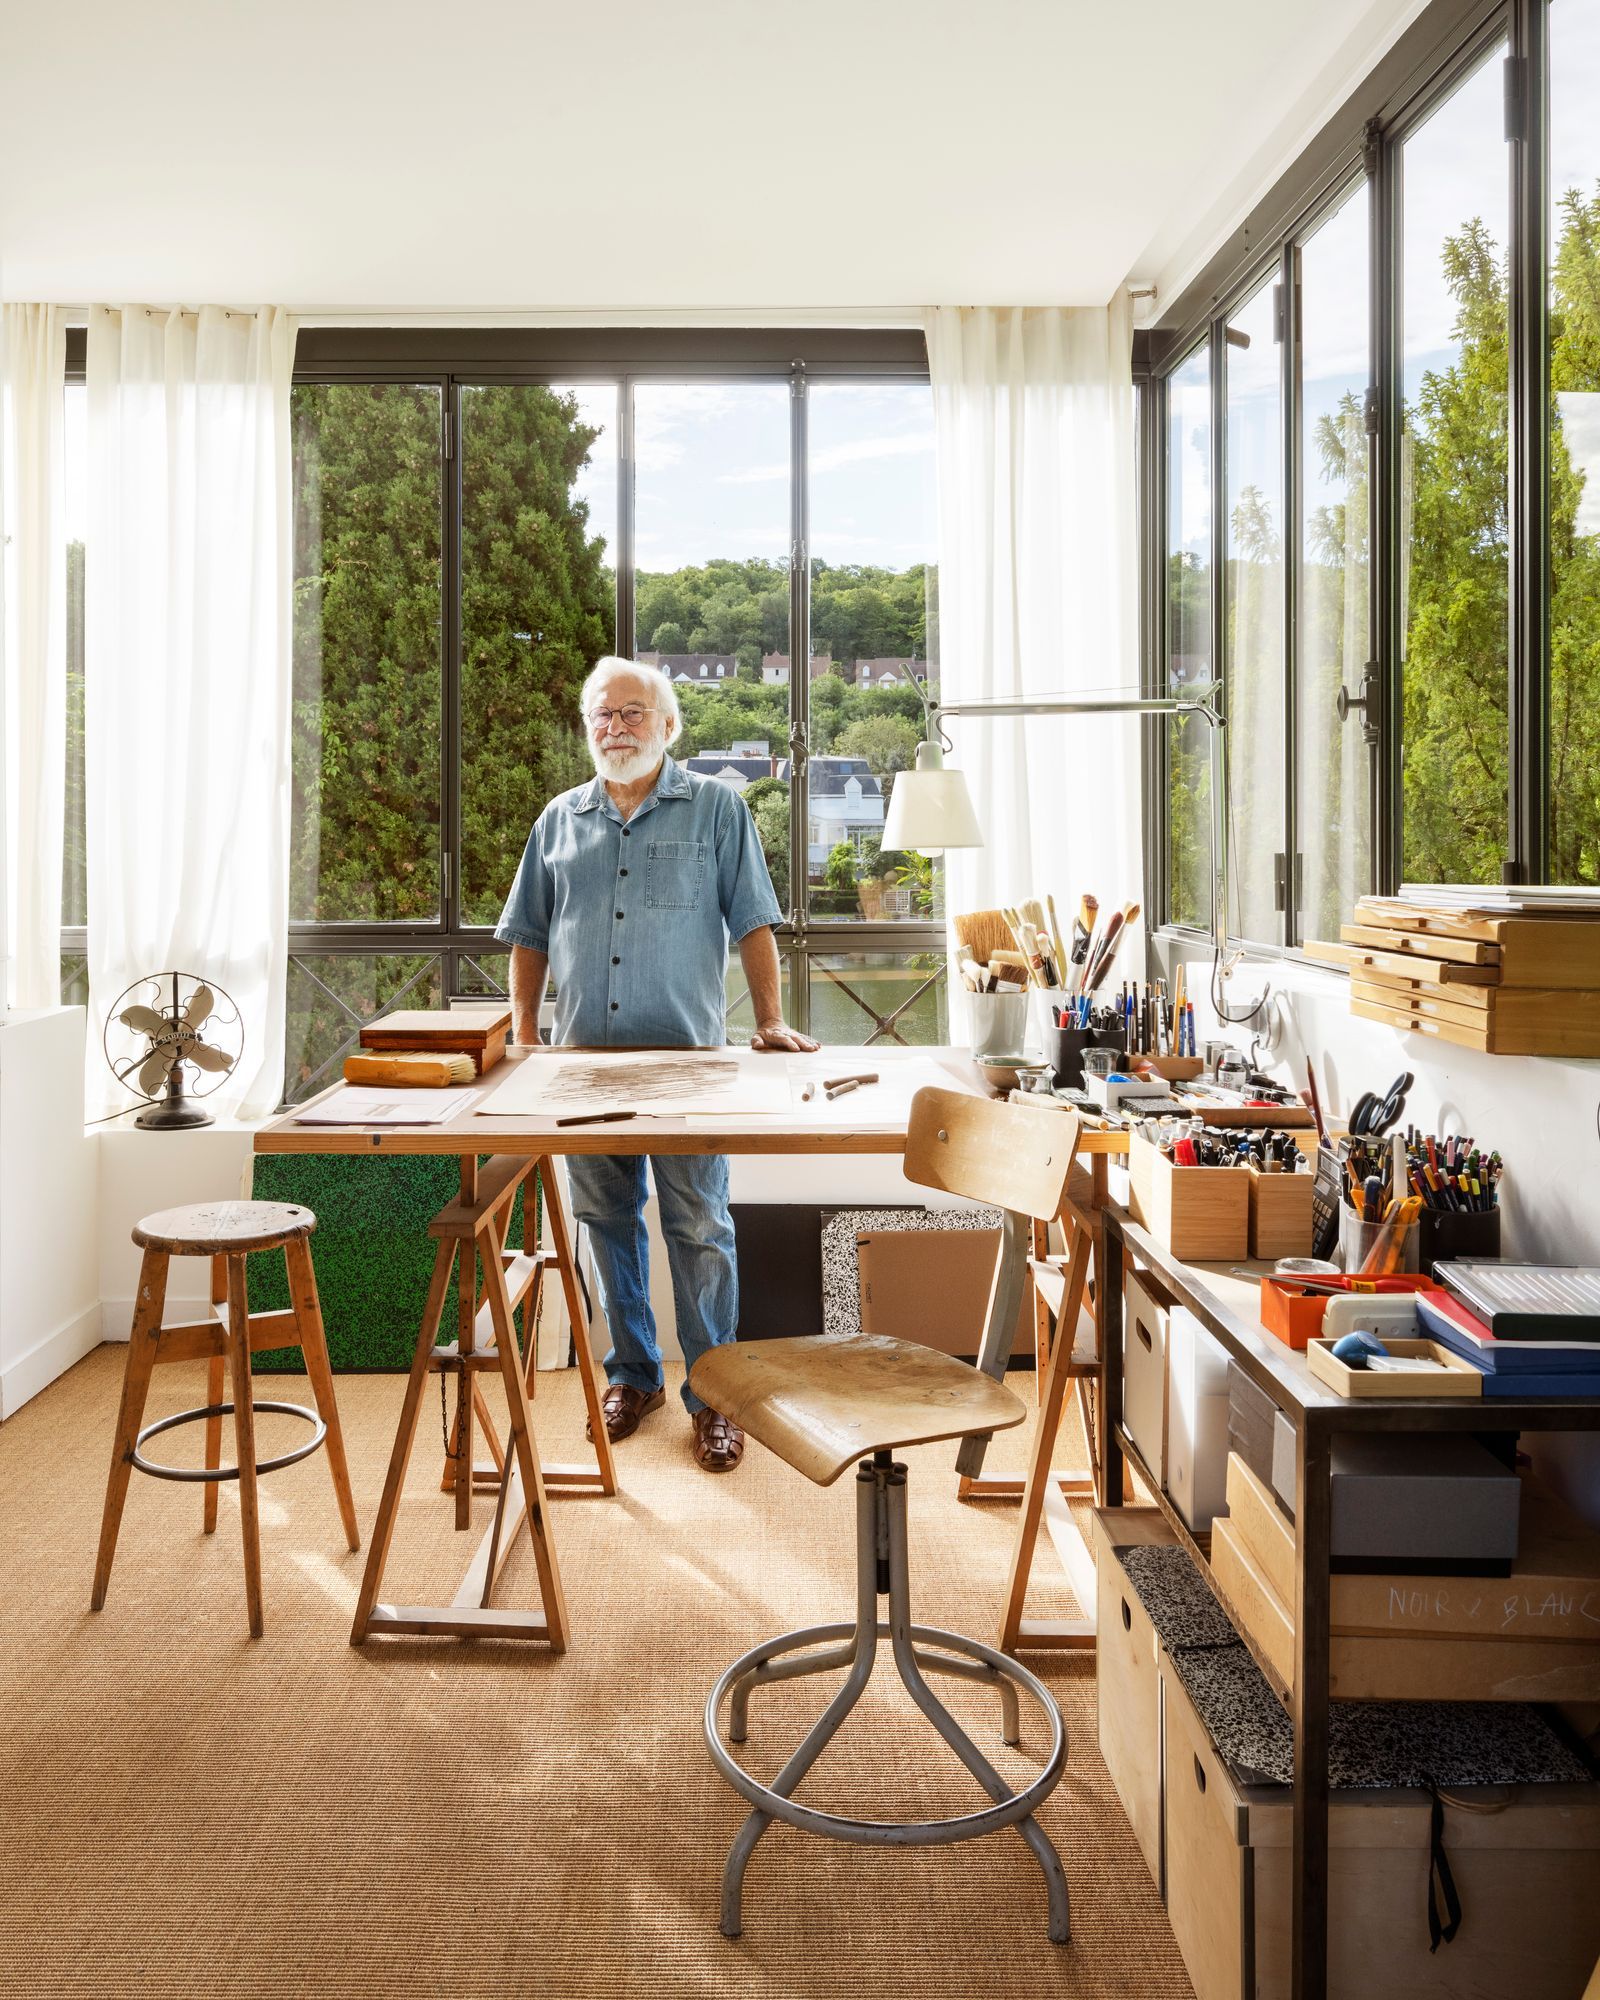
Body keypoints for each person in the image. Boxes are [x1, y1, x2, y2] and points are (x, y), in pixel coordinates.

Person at [494, 657, 818, 1472]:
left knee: (700, 1228)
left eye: (632, 713)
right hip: (582, 1071)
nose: (615, 728)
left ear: (668, 726)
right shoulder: (557, 821)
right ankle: (632, 1375)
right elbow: (528, 935)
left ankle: (715, 1397)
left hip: (688, 1068)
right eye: (601, 716)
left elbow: (752, 922)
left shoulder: (716, 809)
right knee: (606, 1224)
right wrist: (527, 1038)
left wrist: (772, 1021)